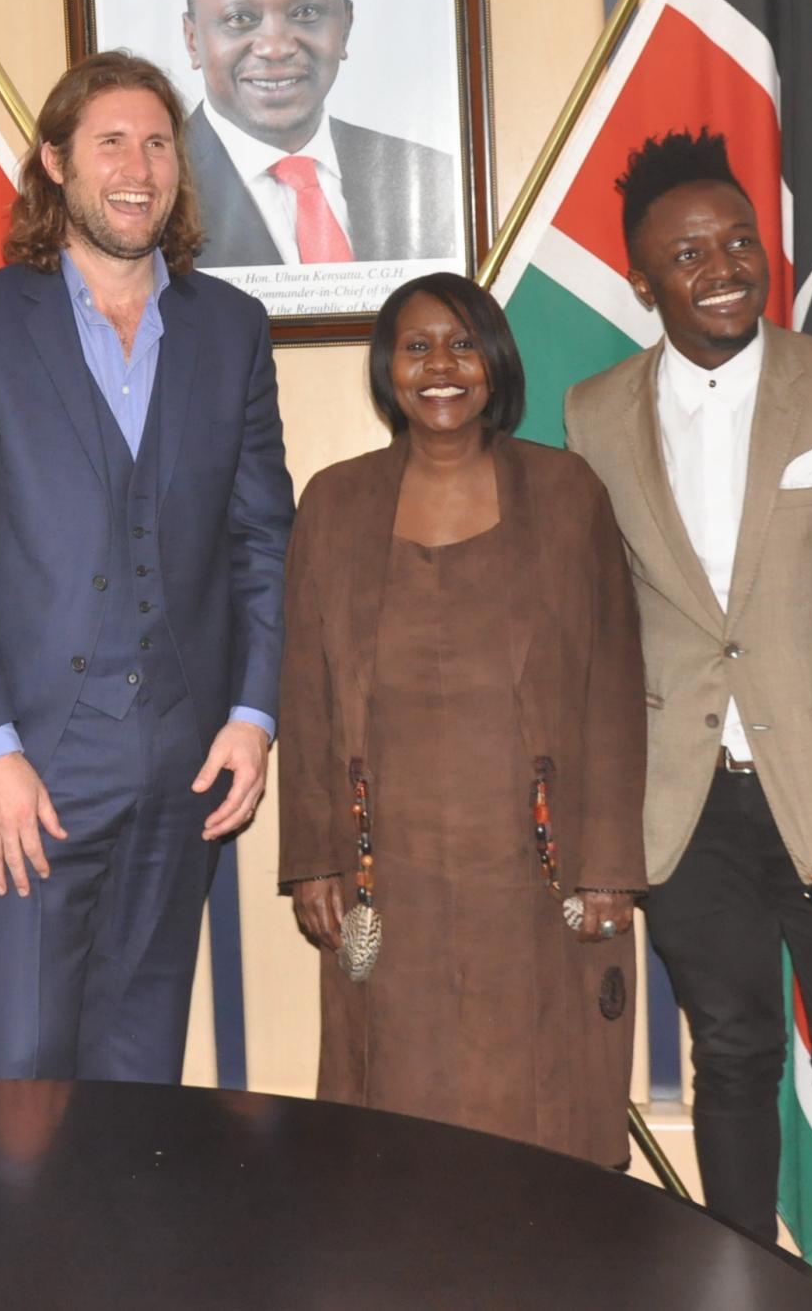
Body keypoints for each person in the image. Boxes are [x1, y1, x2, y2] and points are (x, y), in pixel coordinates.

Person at [565, 130, 812, 1311]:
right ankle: (739, 1295)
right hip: (684, 812)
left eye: (740, 240)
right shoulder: (593, 415)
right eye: (688, 253)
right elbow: (597, 629)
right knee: (728, 1065)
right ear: (643, 279)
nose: (723, 266)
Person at [0, 49, 296, 1082]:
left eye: (159, 142)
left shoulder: (233, 329)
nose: (139, 165)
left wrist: (253, 720)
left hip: (186, 769)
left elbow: (263, 539)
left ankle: (131, 1253)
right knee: (26, 1074)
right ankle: (18, 1255)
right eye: (110, 141)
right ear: (56, 164)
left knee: (141, 1075)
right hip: (31, 766)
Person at [277, 273, 644, 1161]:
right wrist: (314, 859)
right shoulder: (332, 502)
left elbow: (614, 686)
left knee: (542, 1115)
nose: (440, 366)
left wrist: (609, 869)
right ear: (387, 369)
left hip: (534, 877)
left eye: (463, 344)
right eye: (416, 347)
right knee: (398, 1124)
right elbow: (307, 692)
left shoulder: (566, 495)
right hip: (385, 877)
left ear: (495, 362)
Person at [179, 0, 458, 268]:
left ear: (345, 27)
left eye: (306, 13)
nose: (276, 47)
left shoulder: (430, 178)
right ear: (192, 40)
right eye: (240, 19)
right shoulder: (156, 191)